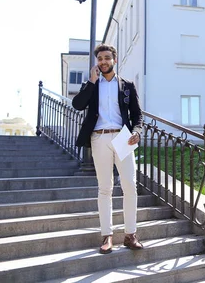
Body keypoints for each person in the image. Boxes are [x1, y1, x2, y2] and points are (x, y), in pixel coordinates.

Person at [72, 43, 144, 254]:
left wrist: (137, 132)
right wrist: (91, 82)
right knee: (105, 188)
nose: (103, 61)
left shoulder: (127, 85)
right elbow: (77, 104)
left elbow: (137, 114)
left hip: (122, 137)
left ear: (114, 59)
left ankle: (130, 235)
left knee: (130, 185)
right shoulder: (93, 85)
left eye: (106, 58)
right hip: (99, 137)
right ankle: (107, 236)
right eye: (100, 59)